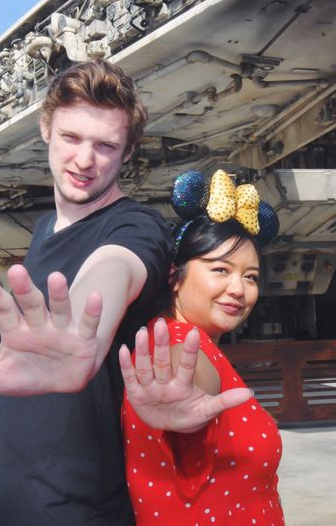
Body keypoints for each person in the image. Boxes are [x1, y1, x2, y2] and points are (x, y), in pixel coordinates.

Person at [0, 59, 173, 526]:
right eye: (71, 138)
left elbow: (114, 269)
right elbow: (24, 367)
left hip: (75, 508)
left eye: (106, 145)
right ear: (45, 129)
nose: (84, 160)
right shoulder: (45, 228)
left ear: (127, 153)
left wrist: (85, 335)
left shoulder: (137, 226)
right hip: (0, 498)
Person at [119, 171, 284, 525]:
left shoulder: (189, 342)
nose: (239, 289)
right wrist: (180, 392)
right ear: (174, 278)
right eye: (220, 269)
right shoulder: (181, 345)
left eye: (250, 276)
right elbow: (187, 373)